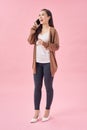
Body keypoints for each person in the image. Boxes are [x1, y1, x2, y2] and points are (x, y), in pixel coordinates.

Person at [27, 9, 59, 123]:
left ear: (48, 17)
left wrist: (44, 44)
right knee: (37, 87)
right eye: (39, 15)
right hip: (37, 63)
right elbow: (30, 41)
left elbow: (56, 47)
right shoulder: (37, 30)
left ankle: (47, 110)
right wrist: (33, 28)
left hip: (48, 64)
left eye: (43, 15)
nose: (40, 16)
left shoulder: (52, 31)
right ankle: (36, 112)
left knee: (48, 87)